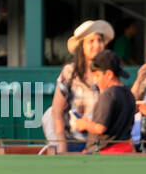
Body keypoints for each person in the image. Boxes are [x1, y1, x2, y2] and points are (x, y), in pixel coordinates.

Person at [47, 20, 112, 153]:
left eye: (99, 40)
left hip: (103, 145)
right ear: (82, 45)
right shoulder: (70, 72)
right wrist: (61, 143)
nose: (96, 45)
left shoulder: (110, 73)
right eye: (91, 41)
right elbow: (57, 110)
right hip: (74, 142)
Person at [77, 50, 136, 153]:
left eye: (97, 75)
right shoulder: (129, 93)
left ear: (109, 74)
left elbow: (100, 128)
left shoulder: (107, 95)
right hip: (126, 148)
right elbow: (126, 124)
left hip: (106, 152)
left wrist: (84, 124)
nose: (95, 80)